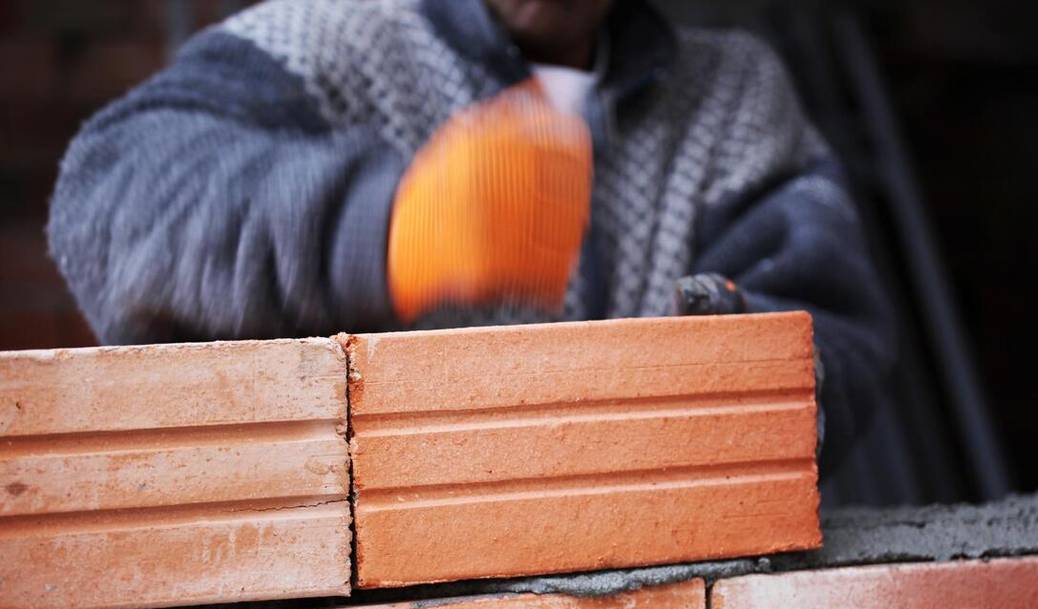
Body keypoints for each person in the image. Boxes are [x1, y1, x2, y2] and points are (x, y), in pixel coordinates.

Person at [47, 0, 895, 471]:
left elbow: (836, 336)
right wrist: (380, 229)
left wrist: (718, 381)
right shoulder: (323, 44)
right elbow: (105, 203)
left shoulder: (734, 94)